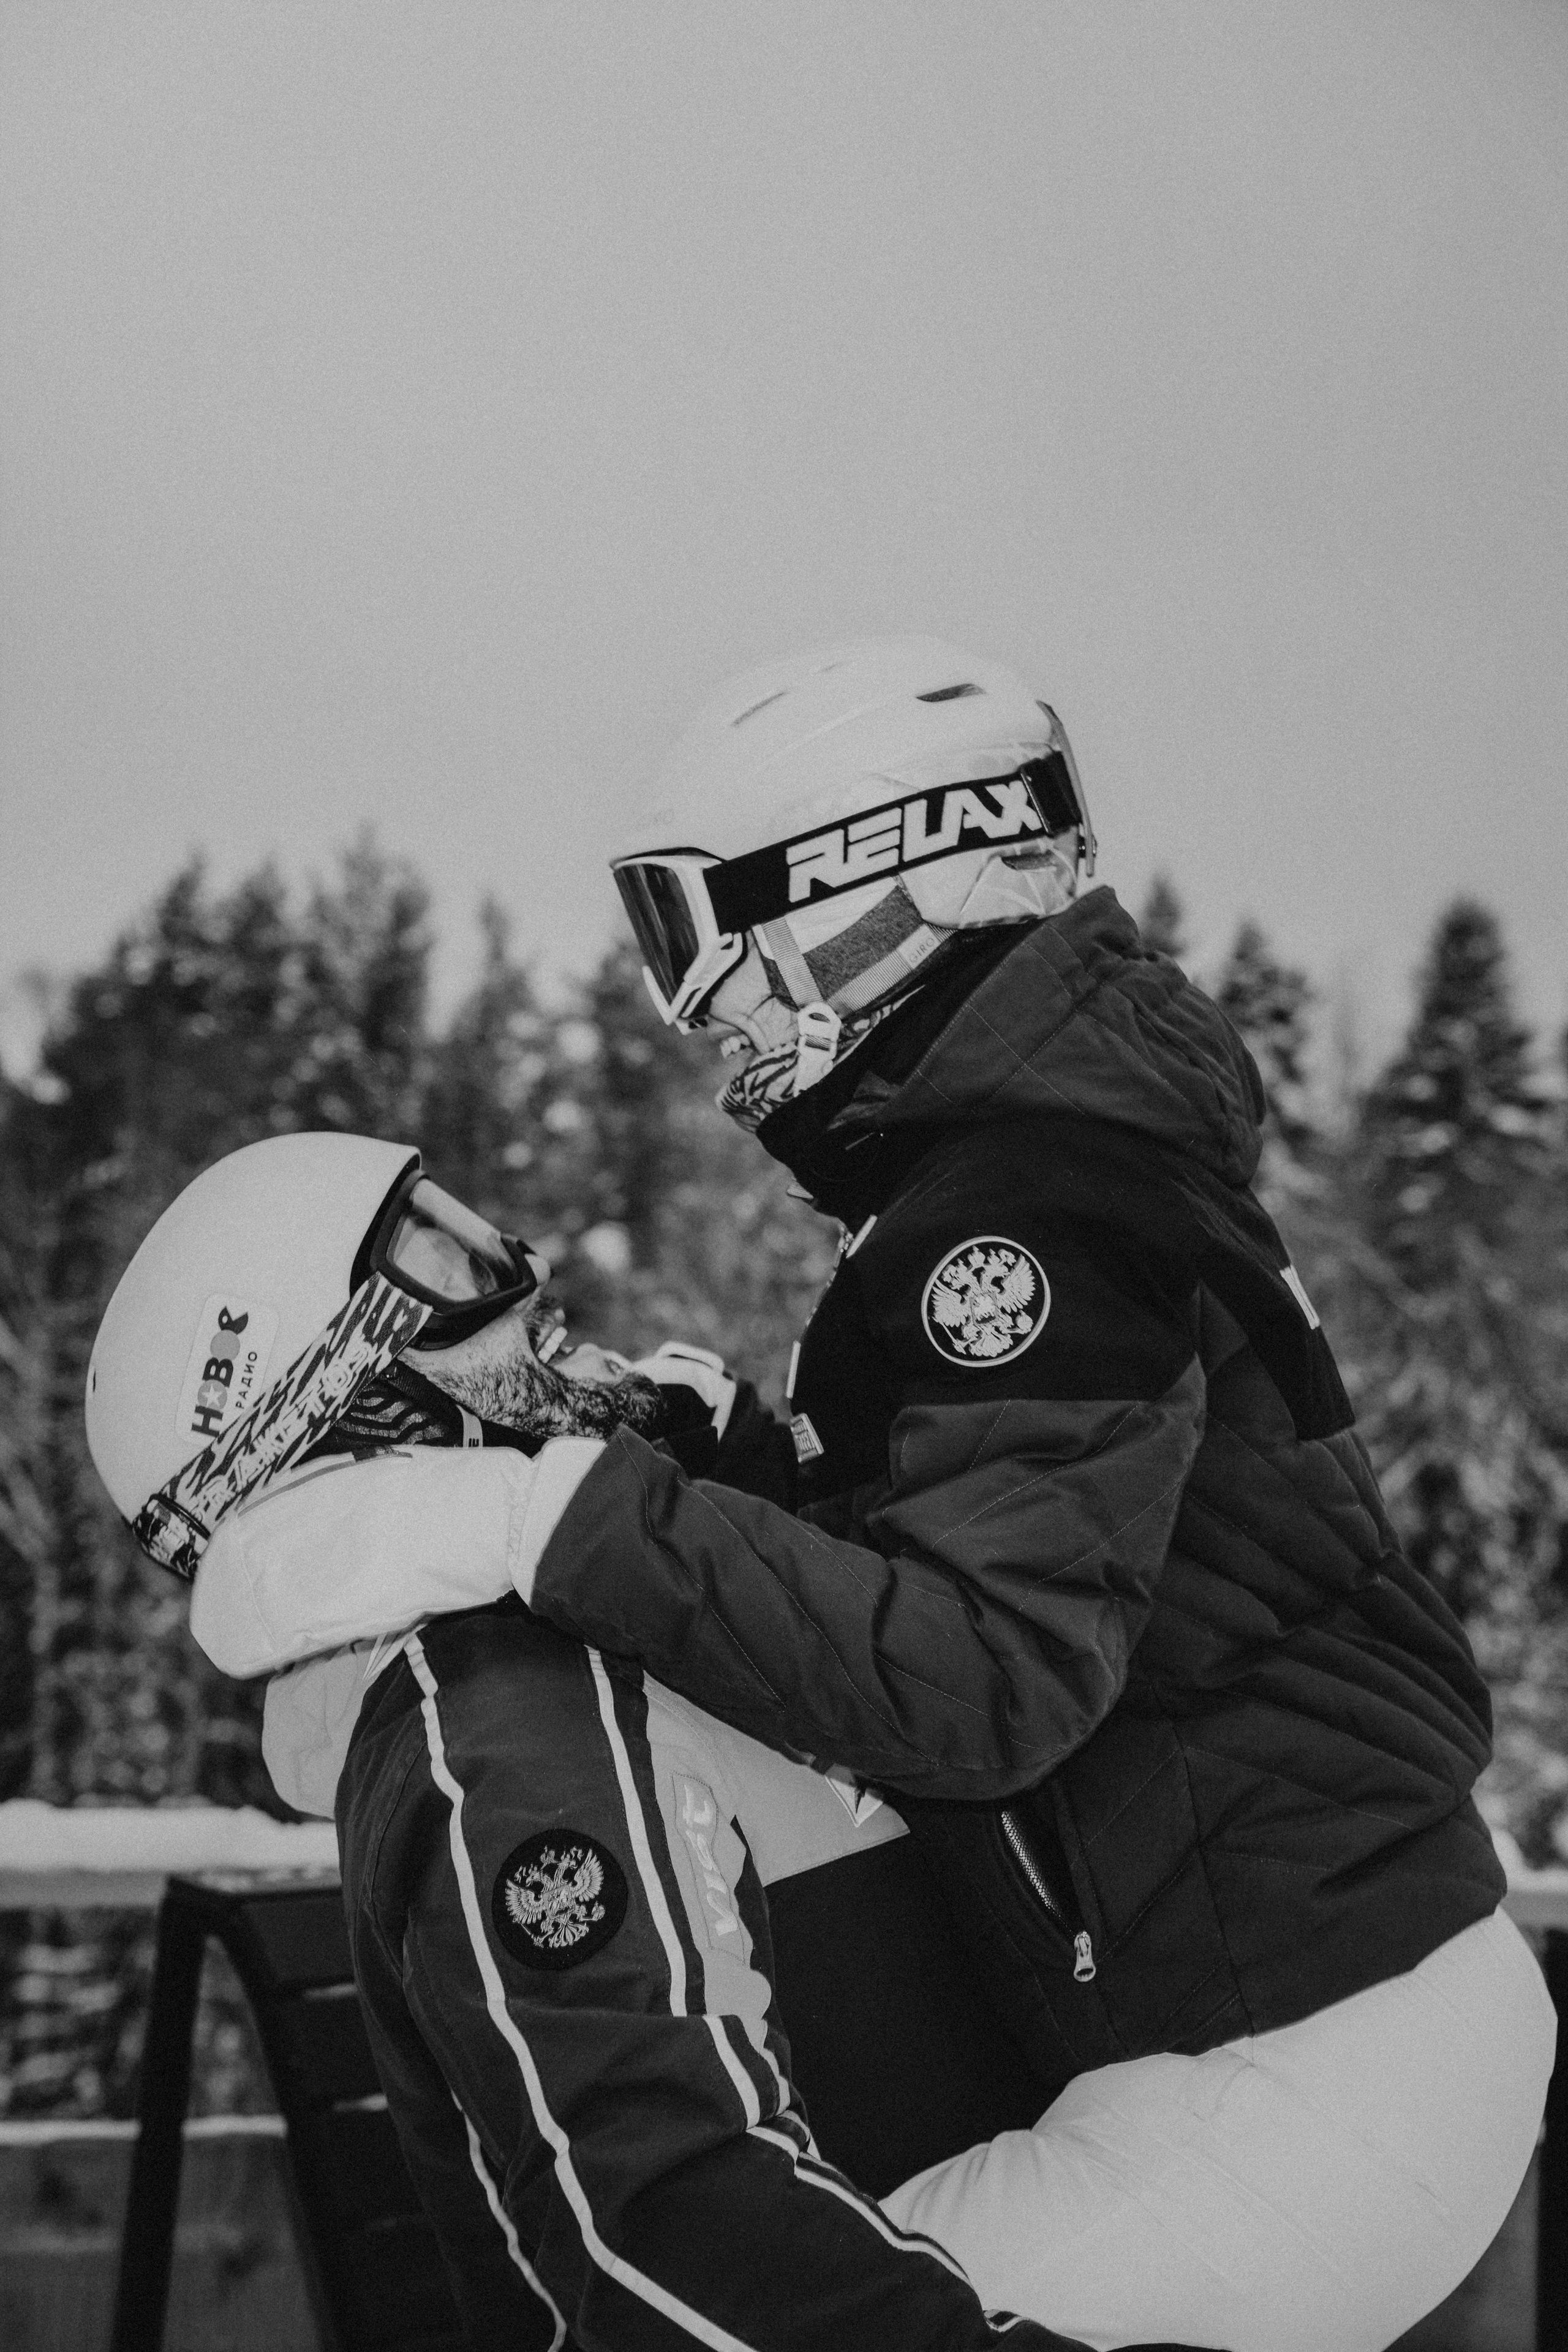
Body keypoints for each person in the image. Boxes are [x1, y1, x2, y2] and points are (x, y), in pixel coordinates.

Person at [188, 638, 1554, 2352]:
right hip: (1352, 2000)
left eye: (707, 937)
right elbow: (1020, 1566)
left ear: (866, 891)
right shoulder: (1050, 1172)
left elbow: (989, 1679)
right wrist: (734, 1466)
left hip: (1297, 2063)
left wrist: (535, 1516)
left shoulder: (1017, 1220)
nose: (706, 1009)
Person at [85, 1131, 1090, 2352]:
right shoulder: (511, 1721)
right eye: (446, 1266)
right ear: (343, 1404)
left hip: (1031, 2212)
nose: (522, 1266)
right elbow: (663, 2234)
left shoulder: (600, 1628)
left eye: (476, 1230)